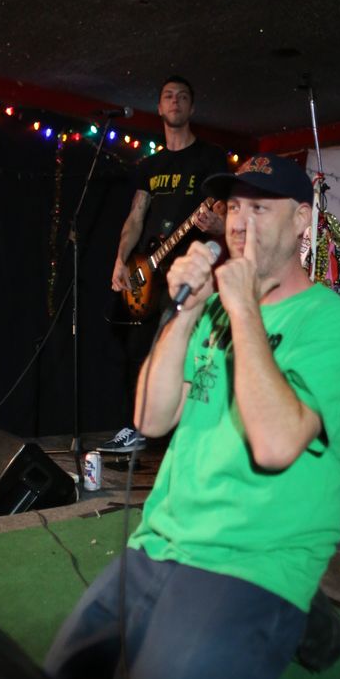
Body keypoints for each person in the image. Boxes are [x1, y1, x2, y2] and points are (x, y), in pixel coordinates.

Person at [45, 154, 340, 679]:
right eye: (235, 207)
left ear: (302, 221)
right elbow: (150, 416)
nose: (241, 224)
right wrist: (189, 312)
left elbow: (275, 445)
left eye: (261, 208)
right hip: (160, 544)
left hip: (251, 560)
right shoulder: (213, 308)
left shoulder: (331, 323)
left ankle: (297, 617)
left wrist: (243, 308)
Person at [99, 74, 228, 453]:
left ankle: (190, 434)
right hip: (148, 271)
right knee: (138, 350)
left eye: (182, 96)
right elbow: (136, 217)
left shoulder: (210, 157)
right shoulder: (149, 166)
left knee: (189, 349)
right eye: (168, 96)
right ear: (158, 107)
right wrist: (120, 260)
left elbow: (225, 208)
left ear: (192, 107)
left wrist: (218, 224)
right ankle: (135, 427)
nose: (175, 101)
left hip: (190, 273)